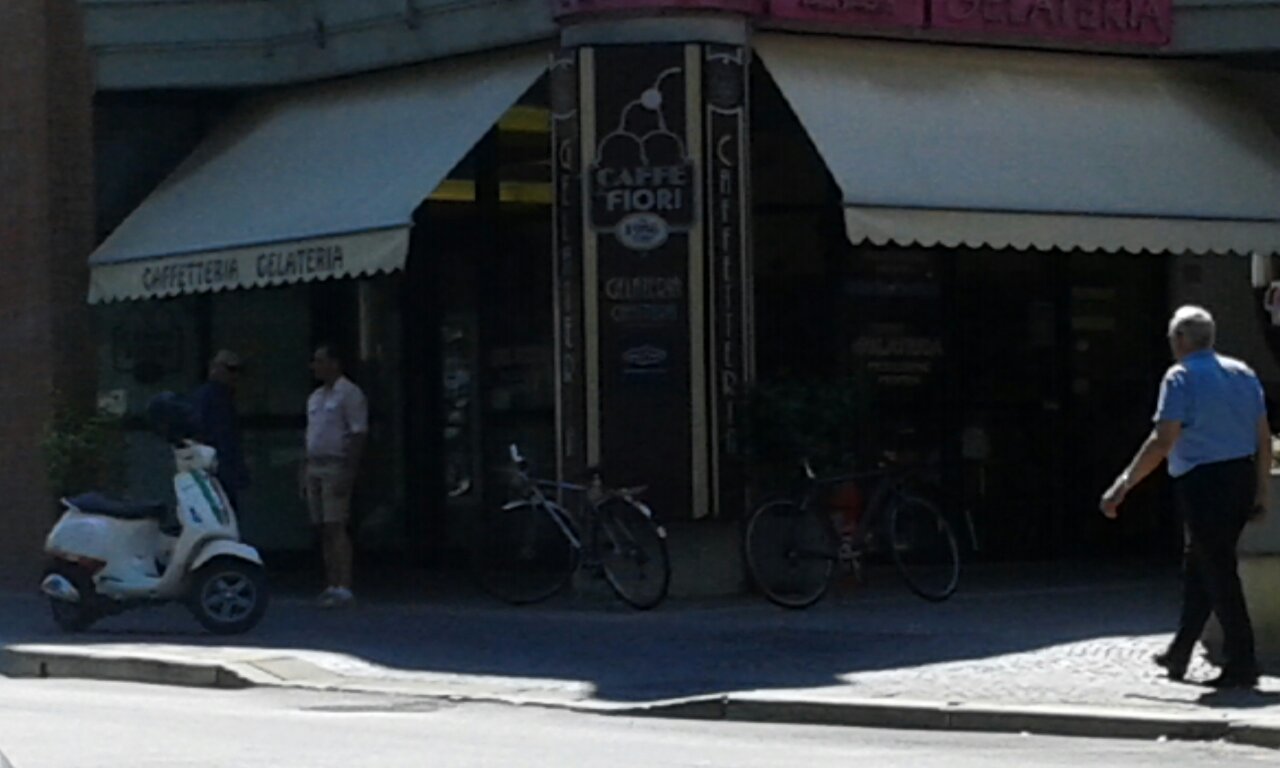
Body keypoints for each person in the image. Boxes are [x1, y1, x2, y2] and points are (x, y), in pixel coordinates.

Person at [1100, 306, 1270, 688]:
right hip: (1240, 475)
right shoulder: (1242, 372)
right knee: (1202, 564)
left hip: (1203, 481)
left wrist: (1124, 484)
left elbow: (1163, 441)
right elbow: (1262, 434)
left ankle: (1242, 659)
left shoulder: (1180, 377)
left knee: (1217, 569)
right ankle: (1180, 649)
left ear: (1180, 340)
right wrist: (1261, 490)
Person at [301, 343, 368, 609]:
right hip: (314, 464)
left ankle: (344, 584)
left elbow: (358, 433)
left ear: (334, 363)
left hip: (335, 464)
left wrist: (349, 471)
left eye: (320, 360)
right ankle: (331, 583)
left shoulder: (349, 394)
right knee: (322, 527)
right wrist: (303, 470)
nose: (315, 366)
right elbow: (309, 434)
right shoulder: (315, 397)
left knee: (336, 525)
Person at [192, 349, 249, 513]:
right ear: (215, 368)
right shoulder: (207, 397)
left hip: (224, 471)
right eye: (230, 369)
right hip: (212, 471)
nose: (235, 376)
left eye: (238, 371)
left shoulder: (226, 398)